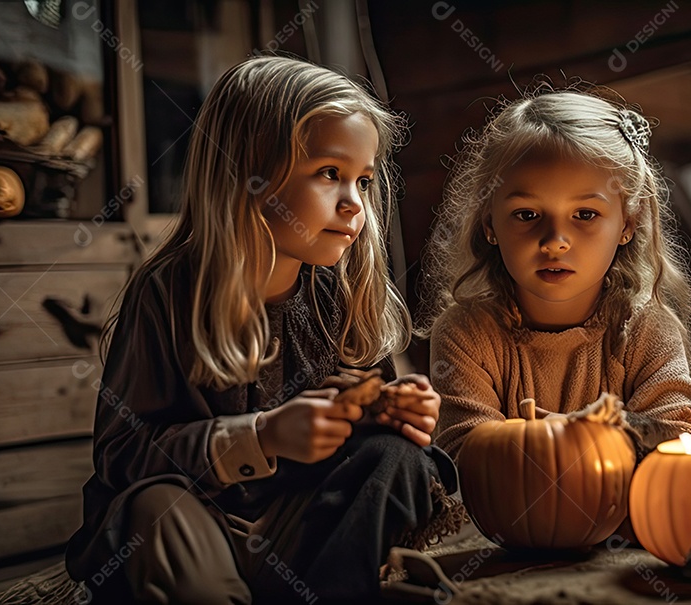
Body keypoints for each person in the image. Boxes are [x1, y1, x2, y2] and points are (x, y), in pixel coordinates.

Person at [65, 56, 462, 605]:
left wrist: (386, 410)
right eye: (329, 173)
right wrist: (262, 436)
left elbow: (365, 431)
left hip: (302, 529)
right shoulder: (168, 293)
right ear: (249, 173)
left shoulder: (338, 291)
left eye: (363, 181)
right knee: (152, 508)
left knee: (401, 458)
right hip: (202, 528)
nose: (354, 205)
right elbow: (122, 455)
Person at [422, 85, 691, 460]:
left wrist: (601, 429)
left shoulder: (647, 331)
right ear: (489, 223)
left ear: (628, 222)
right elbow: (466, 459)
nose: (555, 241)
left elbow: (681, 441)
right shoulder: (466, 334)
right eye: (527, 215)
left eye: (585, 215)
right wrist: (566, 434)